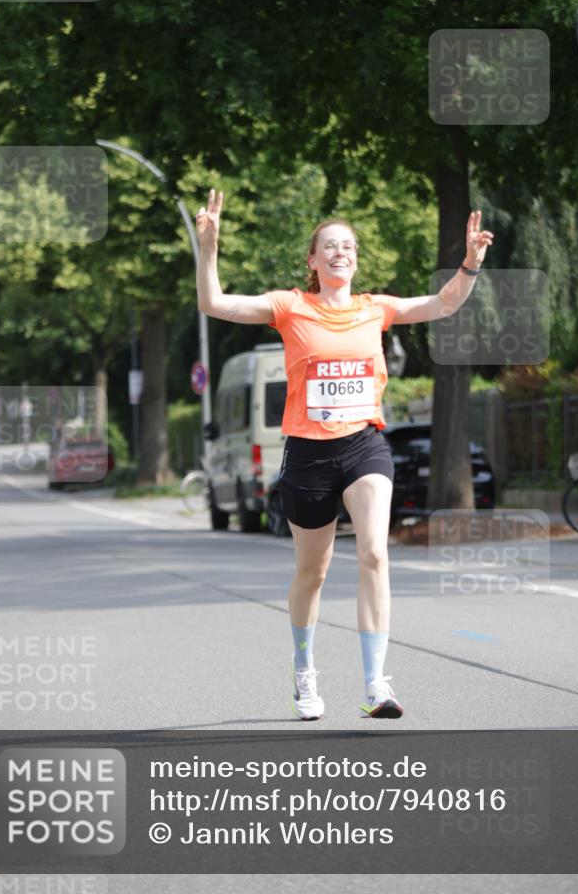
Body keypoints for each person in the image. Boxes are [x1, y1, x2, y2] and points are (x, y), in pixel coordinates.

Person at [196, 189, 494, 720]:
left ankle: (376, 683)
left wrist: (469, 264)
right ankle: (305, 669)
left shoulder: (374, 309)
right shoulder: (289, 307)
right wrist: (209, 248)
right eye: (329, 246)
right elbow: (214, 303)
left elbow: (441, 304)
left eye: (349, 246)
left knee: (375, 553)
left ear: (356, 259)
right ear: (312, 260)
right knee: (313, 573)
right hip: (308, 454)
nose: (341, 252)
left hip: (363, 445)